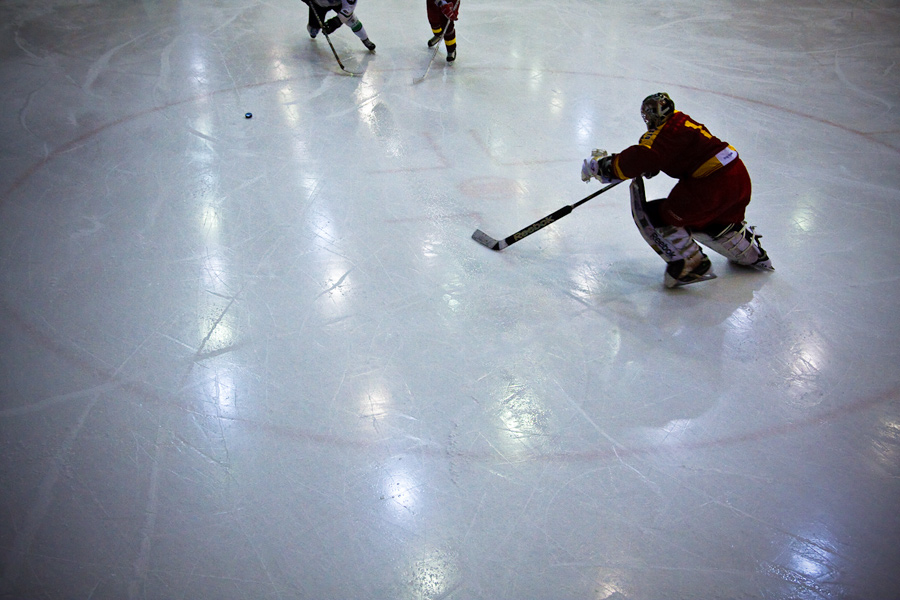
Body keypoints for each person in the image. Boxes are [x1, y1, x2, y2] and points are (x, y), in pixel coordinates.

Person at [581, 92, 773, 288]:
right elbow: (673, 152)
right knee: (716, 221)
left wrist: (602, 166)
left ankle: (691, 264)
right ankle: (752, 254)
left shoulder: (662, 136)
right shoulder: (681, 121)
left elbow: (640, 158)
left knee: (659, 216)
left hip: (712, 185)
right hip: (737, 175)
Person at [303, 0, 375, 52]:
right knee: (313, 30)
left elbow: (348, 9)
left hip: (339, 4)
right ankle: (313, 32)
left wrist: (335, 22)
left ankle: (365, 39)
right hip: (319, 4)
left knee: (352, 21)